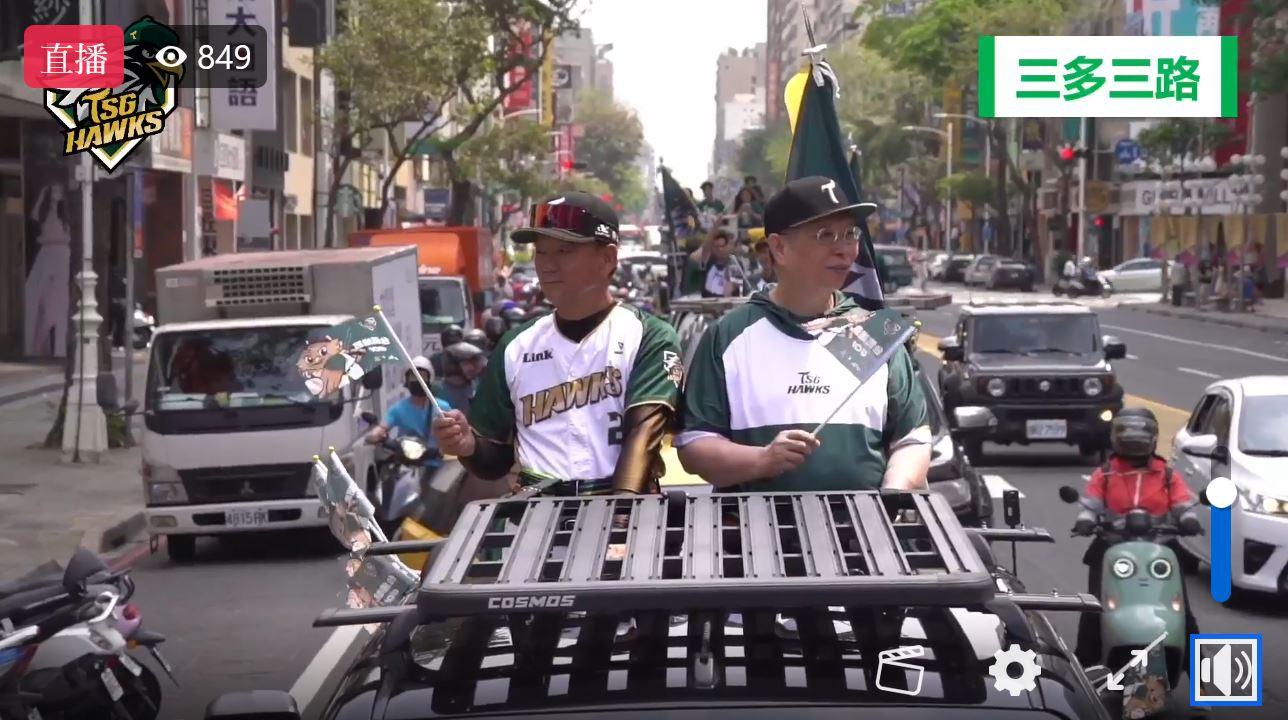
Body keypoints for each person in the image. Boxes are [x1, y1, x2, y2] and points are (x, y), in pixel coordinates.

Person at [675, 176, 932, 492]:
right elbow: (696, 445)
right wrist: (763, 460)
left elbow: (913, 438)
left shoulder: (875, 331)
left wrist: (891, 496)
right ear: (779, 248)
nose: (844, 250)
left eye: (850, 234)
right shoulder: (728, 336)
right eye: (825, 235)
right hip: (754, 523)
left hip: (864, 523)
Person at [431, 191, 683, 497]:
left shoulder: (648, 336)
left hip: (625, 506)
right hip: (538, 510)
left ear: (607, 258)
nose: (548, 265)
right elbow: (495, 461)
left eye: (564, 251)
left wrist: (619, 517)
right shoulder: (516, 345)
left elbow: (642, 437)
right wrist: (468, 445)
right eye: (541, 251)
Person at [1072, 407, 1201, 666]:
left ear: (1153, 438)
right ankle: (1086, 667)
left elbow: (1183, 504)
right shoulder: (1105, 473)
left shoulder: (1166, 474)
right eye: (1127, 434)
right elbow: (1090, 505)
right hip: (1112, 544)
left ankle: (1201, 675)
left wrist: (1189, 519)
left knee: (1181, 610)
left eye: (1140, 435)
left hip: (1159, 546)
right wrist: (1085, 521)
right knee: (1094, 606)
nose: (1133, 440)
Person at [366, 356, 453, 469]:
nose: (417, 380)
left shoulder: (442, 408)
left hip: (437, 467)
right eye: (413, 377)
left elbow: (454, 435)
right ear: (406, 380)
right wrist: (375, 435)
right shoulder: (398, 409)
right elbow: (383, 427)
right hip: (407, 465)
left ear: (429, 379)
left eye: (422, 376)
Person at [435, 341, 487, 421]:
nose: (472, 367)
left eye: (473, 362)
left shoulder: (478, 387)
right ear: (453, 365)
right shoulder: (437, 390)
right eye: (466, 363)